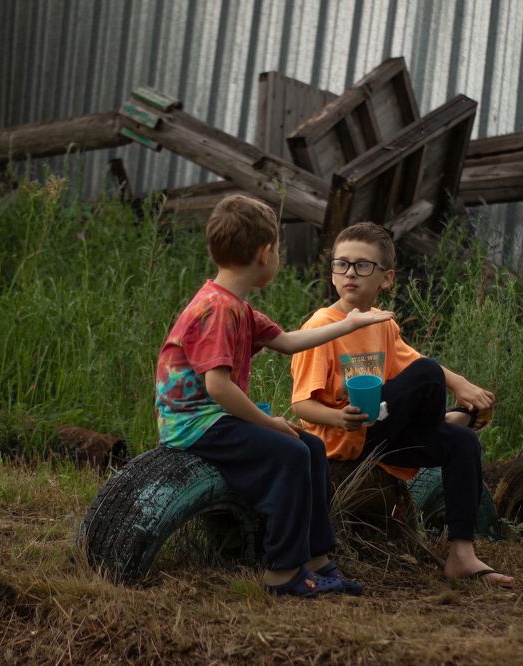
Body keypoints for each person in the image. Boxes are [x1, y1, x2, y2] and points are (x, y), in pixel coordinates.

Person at [156, 195, 394, 598]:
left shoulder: (237, 306)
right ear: (265, 254)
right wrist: (267, 423)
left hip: (216, 418)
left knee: (311, 447)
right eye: (279, 249)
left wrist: (349, 323)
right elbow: (217, 386)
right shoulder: (216, 309)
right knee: (291, 452)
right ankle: (282, 573)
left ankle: (318, 560)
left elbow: (287, 341)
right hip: (194, 424)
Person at [290, 222, 514, 587]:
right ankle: (446, 420)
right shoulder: (322, 326)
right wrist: (338, 417)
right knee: (428, 374)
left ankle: (462, 553)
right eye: (341, 264)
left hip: (380, 434)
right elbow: (301, 405)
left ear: (386, 278)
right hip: (344, 437)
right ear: (332, 273)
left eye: (363, 266)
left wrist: (460, 382)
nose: (350, 273)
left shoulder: (382, 324)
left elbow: (412, 366)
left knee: (464, 442)